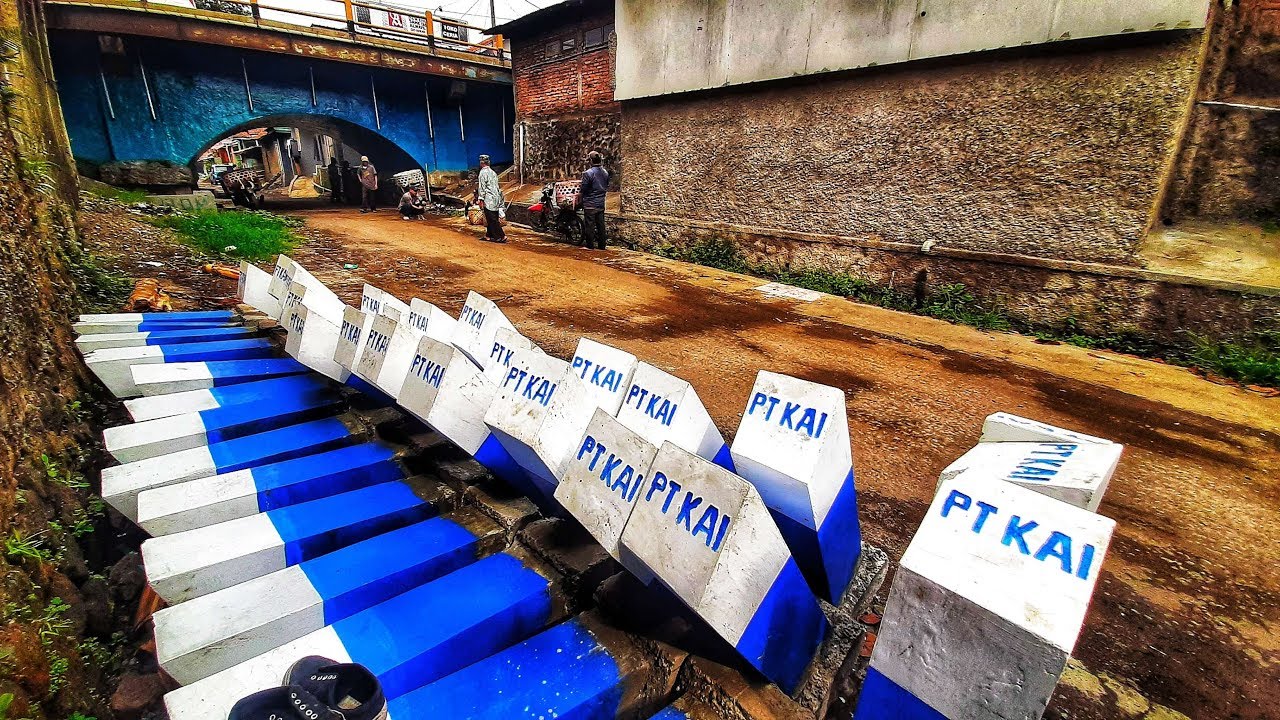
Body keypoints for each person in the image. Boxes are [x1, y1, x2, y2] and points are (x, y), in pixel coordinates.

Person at [577, 150, 609, 250]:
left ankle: (590, 245)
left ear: (591, 161)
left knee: (589, 225)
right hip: (600, 202)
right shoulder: (605, 172)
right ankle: (602, 245)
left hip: (590, 203)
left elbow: (584, 188)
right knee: (600, 225)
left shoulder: (588, 173)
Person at [475, 154, 506, 243]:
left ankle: (501, 236)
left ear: (481, 163)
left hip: (488, 198)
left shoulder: (482, 173)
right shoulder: (493, 172)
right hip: (496, 197)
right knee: (492, 217)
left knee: (491, 219)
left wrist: (480, 199)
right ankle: (489, 235)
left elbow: (482, 188)